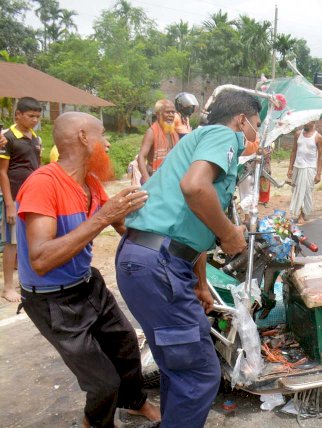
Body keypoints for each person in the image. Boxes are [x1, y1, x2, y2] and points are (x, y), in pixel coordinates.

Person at [116, 89, 258, 427]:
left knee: (178, 366)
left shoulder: (198, 142)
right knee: (200, 373)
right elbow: (195, 189)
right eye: (254, 126)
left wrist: (201, 283)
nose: (255, 135)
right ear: (240, 121)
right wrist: (229, 233)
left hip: (151, 259)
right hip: (158, 263)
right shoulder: (223, 135)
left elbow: (193, 225)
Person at [16, 112, 159, 428]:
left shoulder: (91, 183)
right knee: (102, 383)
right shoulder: (42, 184)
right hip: (53, 300)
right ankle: (94, 423)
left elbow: (122, 225)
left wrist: (169, 248)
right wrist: (103, 217)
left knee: (125, 345)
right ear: (83, 137)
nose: (108, 142)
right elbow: (40, 259)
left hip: (86, 284)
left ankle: (134, 402)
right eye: (103, 134)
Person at [1, 97, 42, 303]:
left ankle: (26, 279)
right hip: (15, 197)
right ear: (18, 115)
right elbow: (2, 172)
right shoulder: (7, 139)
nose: (34, 120)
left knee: (30, 239)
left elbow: (39, 167)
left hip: (33, 198)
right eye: (30, 116)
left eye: (37, 116)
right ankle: (8, 286)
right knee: (12, 242)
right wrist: (9, 204)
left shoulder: (36, 139)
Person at [287, 121, 322, 224]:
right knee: (296, 191)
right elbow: (294, 151)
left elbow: (320, 156)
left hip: (310, 168)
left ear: (313, 122)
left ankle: (302, 215)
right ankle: (297, 213)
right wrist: (290, 168)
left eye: (308, 122)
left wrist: (319, 173)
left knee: (306, 192)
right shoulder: (298, 134)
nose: (305, 123)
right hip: (297, 167)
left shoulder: (318, 137)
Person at [136, 99, 179, 183]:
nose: (171, 115)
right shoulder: (151, 132)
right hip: (154, 179)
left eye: (173, 112)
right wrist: (146, 179)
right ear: (158, 115)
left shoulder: (174, 133)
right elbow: (141, 157)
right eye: (167, 112)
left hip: (170, 178)